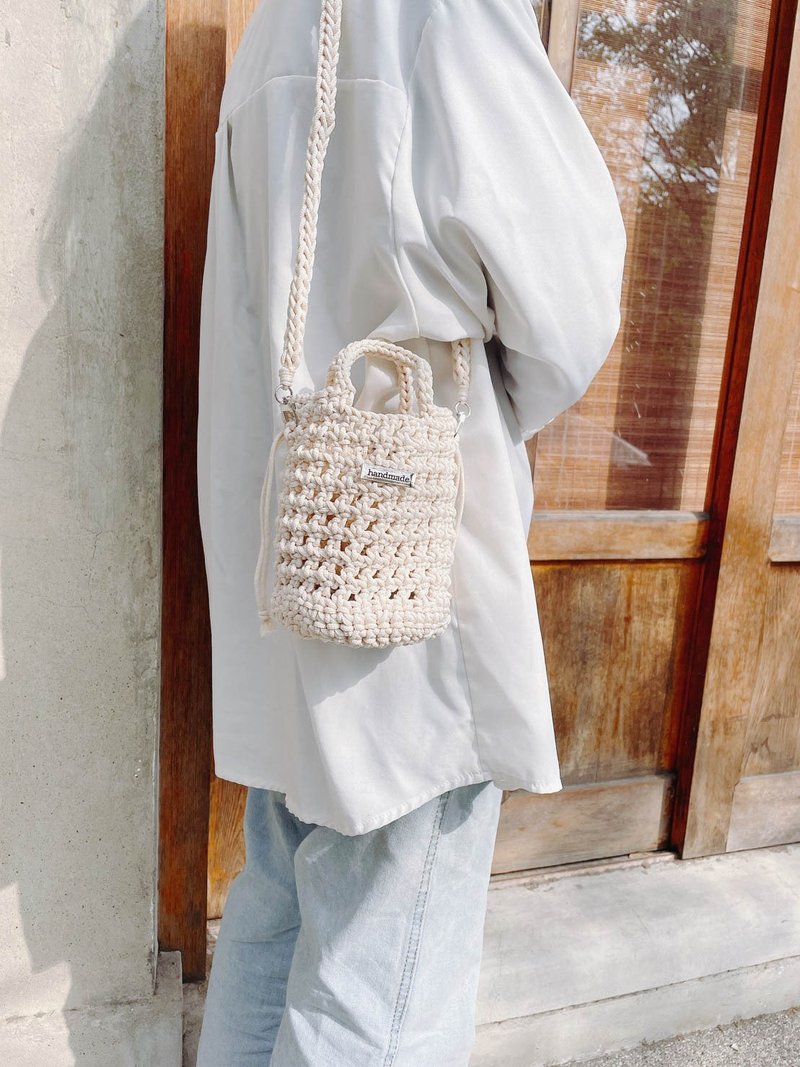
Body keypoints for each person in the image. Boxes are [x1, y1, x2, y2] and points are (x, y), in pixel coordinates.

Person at [196, 0, 626, 1063]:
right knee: (386, 972)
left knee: (278, 906)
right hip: (406, 549)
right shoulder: (447, 14)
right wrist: (488, 417)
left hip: (295, 538)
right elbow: (568, 300)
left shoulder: (274, 25)